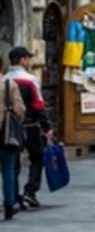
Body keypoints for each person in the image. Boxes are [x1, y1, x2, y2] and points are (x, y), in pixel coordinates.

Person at [5, 46, 50, 209]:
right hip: (30, 125)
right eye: (28, 58)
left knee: (13, 163)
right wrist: (46, 125)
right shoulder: (30, 80)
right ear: (22, 60)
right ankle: (30, 192)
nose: (29, 61)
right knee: (37, 158)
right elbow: (38, 104)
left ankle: (14, 196)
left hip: (10, 127)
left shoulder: (4, 80)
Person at [1, 55, 23, 220]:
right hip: (6, 133)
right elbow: (19, 109)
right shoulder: (9, 84)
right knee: (8, 169)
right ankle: (9, 204)